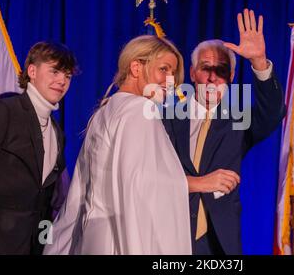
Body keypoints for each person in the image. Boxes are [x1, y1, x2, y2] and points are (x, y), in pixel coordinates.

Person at [43, 35, 192, 255]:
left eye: (173, 74)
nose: (170, 81)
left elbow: (81, 192)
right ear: (136, 67)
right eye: (164, 69)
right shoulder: (139, 109)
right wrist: (201, 183)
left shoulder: (104, 111)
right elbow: (138, 182)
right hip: (118, 240)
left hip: (93, 237)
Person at [163, 9, 286, 254]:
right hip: (167, 234)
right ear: (192, 73)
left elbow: (273, 112)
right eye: (205, 68)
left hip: (218, 242)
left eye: (221, 71)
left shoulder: (239, 120)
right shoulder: (165, 117)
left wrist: (259, 62)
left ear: (230, 76)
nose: (212, 78)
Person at [0, 41, 77, 255]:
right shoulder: (6, 111)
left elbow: (47, 201)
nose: (62, 81)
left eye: (68, 76)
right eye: (55, 71)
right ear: (32, 71)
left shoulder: (57, 133)